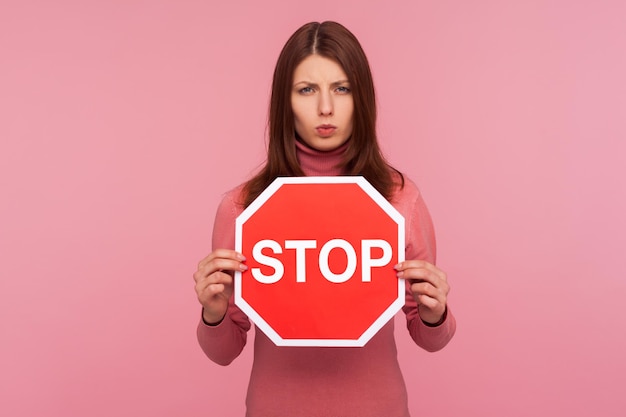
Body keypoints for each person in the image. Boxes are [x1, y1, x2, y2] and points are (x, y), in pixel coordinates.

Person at [193, 21, 456, 417]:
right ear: (285, 101)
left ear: (361, 96)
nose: (326, 108)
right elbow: (224, 352)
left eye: (342, 88)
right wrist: (212, 314)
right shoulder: (244, 206)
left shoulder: (399, 198)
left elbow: (430, 337)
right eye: (306, 90)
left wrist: (436, 314)